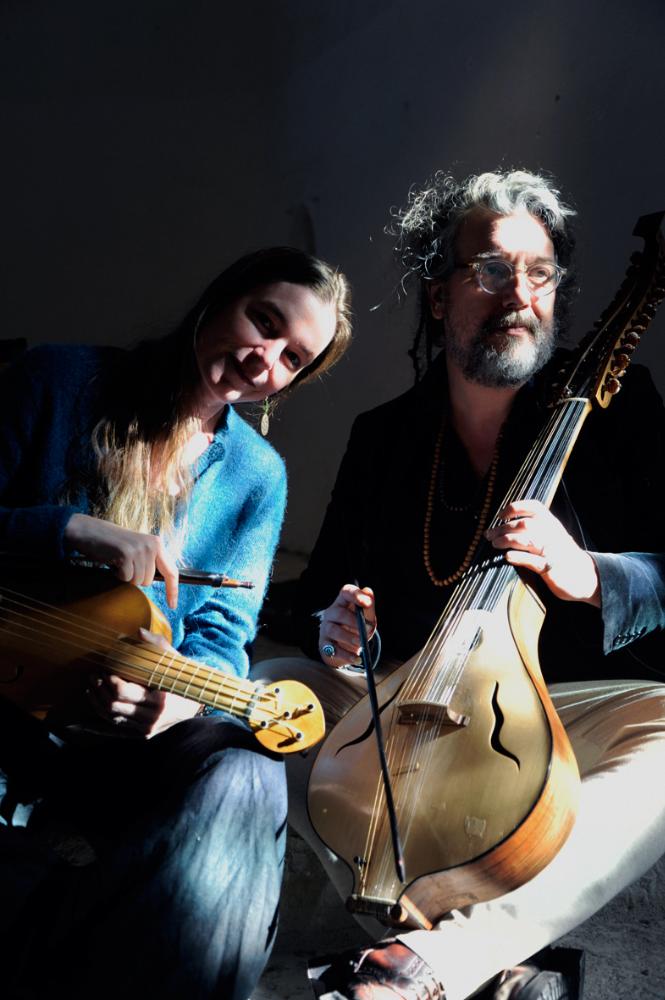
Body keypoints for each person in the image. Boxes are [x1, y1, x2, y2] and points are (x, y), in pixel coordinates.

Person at [257, 172, 665, 999]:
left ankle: (435, 961)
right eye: (491, 269)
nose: (518, 293)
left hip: (565, 711)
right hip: (421, 701)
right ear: (439, 295)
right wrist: (334, 625)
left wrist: (590, 574)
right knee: (271, 688)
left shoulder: (614, 413)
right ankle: (471, 969)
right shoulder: (383, 437)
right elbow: (318, 593)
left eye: (539, 273)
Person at [0, 245, 352, 1000]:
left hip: (124, 749)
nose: (264, 361)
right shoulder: (55, 379)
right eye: (264, 322)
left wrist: (179, 703)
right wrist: (66, 529)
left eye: (292, 359)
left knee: (250, 774)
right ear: (220, 297)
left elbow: (223, 637)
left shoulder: (257, 476)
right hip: (9, 712)